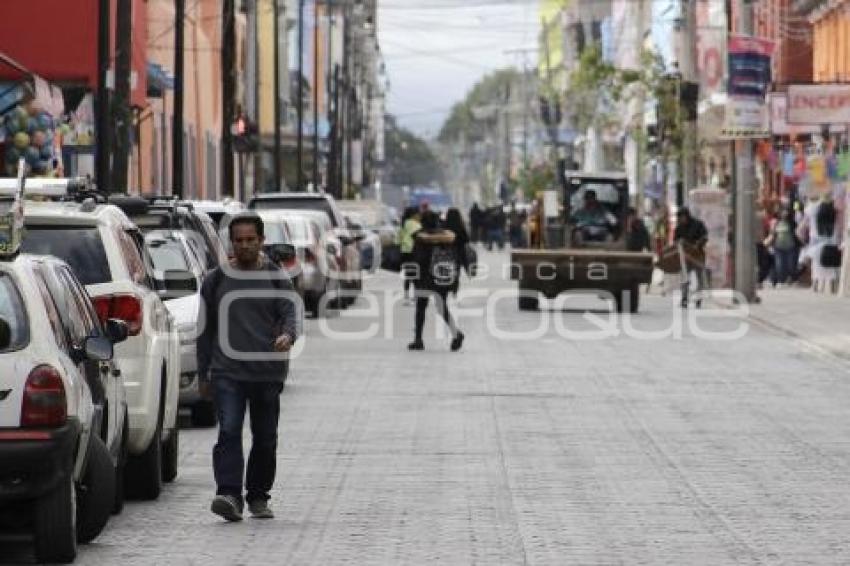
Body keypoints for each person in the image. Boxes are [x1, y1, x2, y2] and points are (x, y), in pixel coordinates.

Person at [197, 213, 299, 522]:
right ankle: (228, 494)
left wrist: (288, 335)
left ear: (261, 241)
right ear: (231, 242)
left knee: (265, 437)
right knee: (228, 431)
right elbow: (204, 331)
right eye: (238, 241)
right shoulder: (217, 279)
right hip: (228, 372)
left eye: (250, 240)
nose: (244, 246)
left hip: (267, 373)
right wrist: (204, 374)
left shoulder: (275, 276)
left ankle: (257, 496)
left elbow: (290, 312)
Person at [408, 210, 464, 352]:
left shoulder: (421, 237)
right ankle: (456, 333)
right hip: (441, 278)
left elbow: (417, 258)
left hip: (424, 278)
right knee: (442, 307)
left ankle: (418, 339)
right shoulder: (446, 237)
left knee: (421, 308)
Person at [673, 207, 708, 308]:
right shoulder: (679, 228)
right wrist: (679, 243)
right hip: (686, 257)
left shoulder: (698, 224)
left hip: (698, 255)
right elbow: (675, 241)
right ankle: (684, 298)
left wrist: (698, 244)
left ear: (686, 216)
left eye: (682, 217)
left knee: (700, 279)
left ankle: (698, 299)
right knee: (684, 278)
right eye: (679, 218)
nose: (681, 219)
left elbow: (705, 236)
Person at [764, 207, 798, 285]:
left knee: (791, 265)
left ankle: (791, 279)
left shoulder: (792, 223)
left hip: (790, 247)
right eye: (783, 212)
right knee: (780, 265)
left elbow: (796, 233)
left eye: (786, 212)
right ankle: (781, 280)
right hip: (778, 247)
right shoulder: (776, 222)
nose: (784, 214)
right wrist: (766, 243)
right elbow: (772, 234)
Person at [444, 207, 473, 293]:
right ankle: (454, 288)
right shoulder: (460, 227)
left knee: (445, 269)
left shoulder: (444, 225)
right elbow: (466, 239)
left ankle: (446, 285)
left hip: (445, 253)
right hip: (458, 253)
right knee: (456, 271)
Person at [397, 207, 422, 303]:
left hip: (404, 252)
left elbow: (397, 239)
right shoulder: (415, 224)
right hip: (414, 251)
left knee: (407, 275)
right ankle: (416, 295)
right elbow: (418, 237)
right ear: (413, 215)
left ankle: (406, 295)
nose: (419, 215)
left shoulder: (403, 224)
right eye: (418, 214)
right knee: (416, 274)